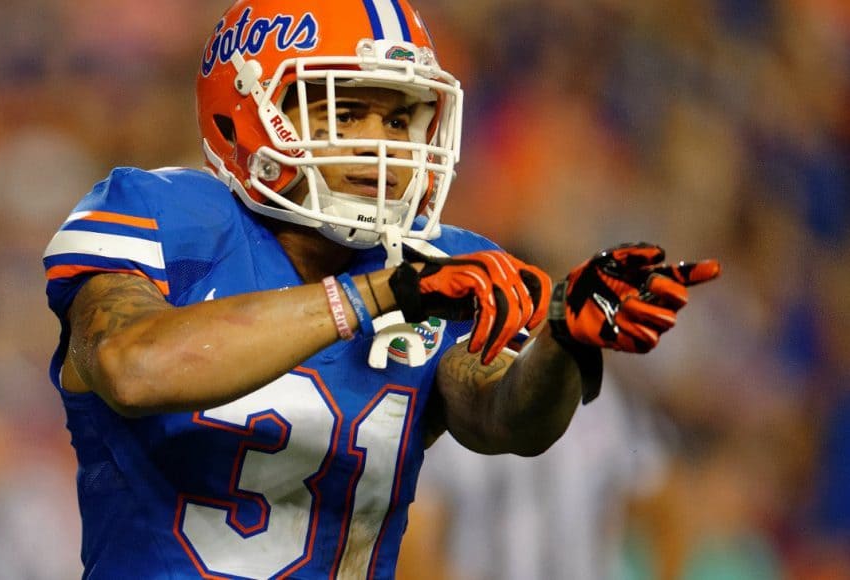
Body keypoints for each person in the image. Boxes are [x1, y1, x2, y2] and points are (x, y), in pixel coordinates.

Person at [42, 0, 720, 577]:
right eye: (345, 112)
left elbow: (504, 420)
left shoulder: (441, 262)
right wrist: (374, 295)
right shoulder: (159, 212)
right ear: (244, 114)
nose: (380, 144)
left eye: (398, 120)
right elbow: (132, 366)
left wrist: (563, 343)